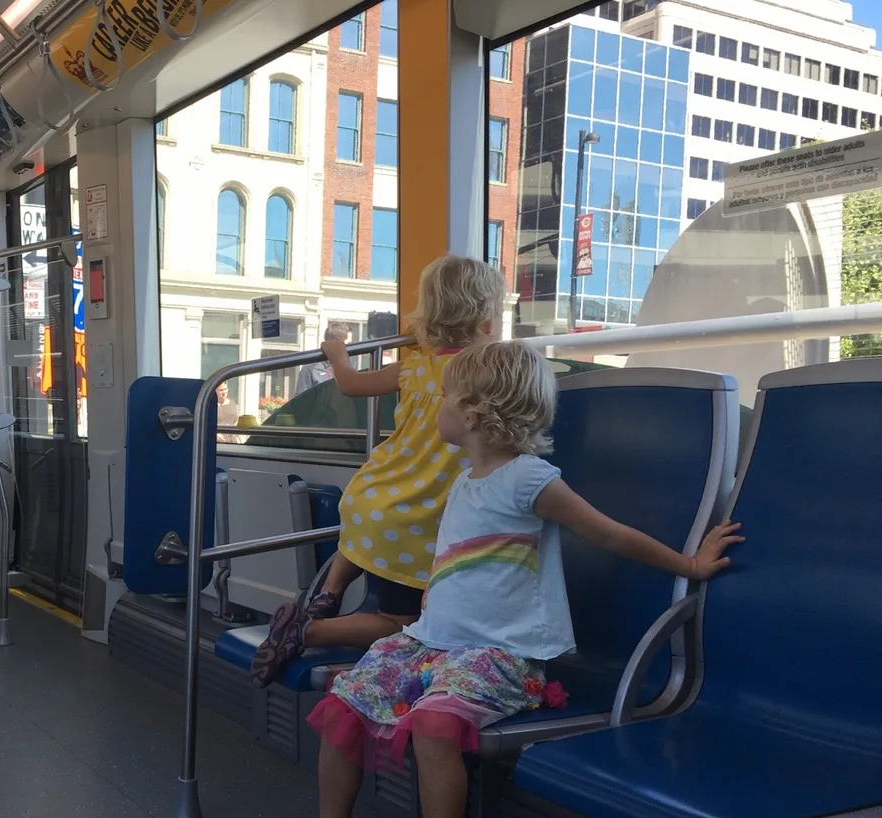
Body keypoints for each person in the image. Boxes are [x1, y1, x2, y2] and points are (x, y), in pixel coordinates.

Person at [307, 341, 744, 818]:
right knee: (344, 704)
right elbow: (457, 553)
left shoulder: (528, 478)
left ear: (472, 413)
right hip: (434, 641)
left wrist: (689, 565)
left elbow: (608, 533)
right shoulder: (464, 478)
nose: (440, 407)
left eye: (445, 397)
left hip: (501, 653)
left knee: (434, 727)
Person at [251, 255, 507, 687]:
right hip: (418, 516)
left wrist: (336, 353)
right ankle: (307, 630)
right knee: (400, 619)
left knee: (360, 533)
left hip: (375, 489)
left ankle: (328, 594)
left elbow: (349, 383)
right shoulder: (489, 375)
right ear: (486, 322)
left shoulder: (412, 369)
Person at [296, 322, 351, 395]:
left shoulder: (347, 369)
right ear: (337, 343)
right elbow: (300, 401)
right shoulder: (310, 369)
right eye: (349, 344)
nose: (351, 349)